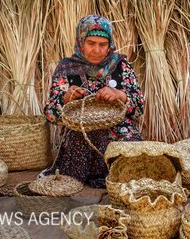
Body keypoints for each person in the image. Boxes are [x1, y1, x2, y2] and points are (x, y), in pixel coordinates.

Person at [40, 15, 145, 188]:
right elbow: (51, 115)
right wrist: (65, 99)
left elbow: (139, 109)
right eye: (91, 43)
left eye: (102, 44)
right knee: (78, 144)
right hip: (81, 131)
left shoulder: (121, 65)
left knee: (132, 154)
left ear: (109, 44)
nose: (97, 50)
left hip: (118, 130)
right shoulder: (66, 68)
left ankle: (119, 178)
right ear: (81, 42)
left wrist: (121, 95)